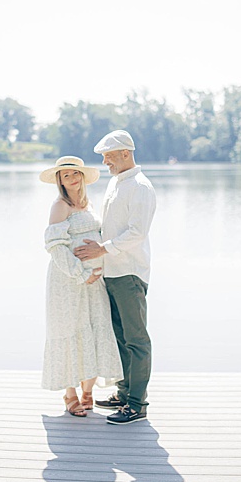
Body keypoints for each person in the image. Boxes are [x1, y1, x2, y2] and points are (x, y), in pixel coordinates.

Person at [74, 130, 156, 425]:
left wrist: (101, 249)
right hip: (112, 272)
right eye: (104, 156)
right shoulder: (115, 184)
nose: (105, 161)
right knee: (120, 337)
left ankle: (137, 404)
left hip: (130, 273)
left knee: (136, 339)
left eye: (108, 155)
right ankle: (123, 393)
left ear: (125, 153)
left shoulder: (140, 187)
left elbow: (137, 232)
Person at [40, 156, 123, 417]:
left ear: (82, 176)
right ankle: (70, 394)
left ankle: (88, 391)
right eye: (66, 176)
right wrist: (78, 273)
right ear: (60, 181)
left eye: (75, 174)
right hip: (68, 281)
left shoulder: (88, 205)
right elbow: (56, 247)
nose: (72, 179)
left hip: (94, 280)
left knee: (94, 328)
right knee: (69, 330)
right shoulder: (60, 206)